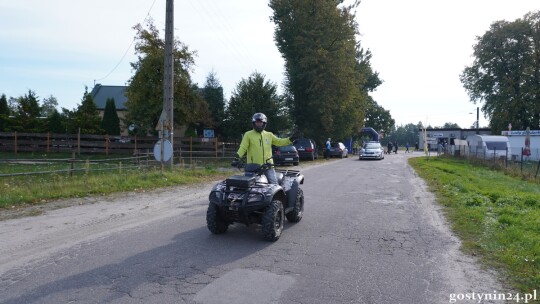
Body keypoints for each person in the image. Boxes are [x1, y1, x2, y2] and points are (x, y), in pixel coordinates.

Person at [235, 113, 300, 184]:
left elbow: (280, 142)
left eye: (260, 122)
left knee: (274, 185)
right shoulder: (248, 134)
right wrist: (237, 158)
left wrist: (290, 139)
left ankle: (279, 195)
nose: (259, 124)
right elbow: (243, 147)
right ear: (254, 123)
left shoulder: (269, 135)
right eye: (257, 122)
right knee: (249, 186)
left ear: (264, 123)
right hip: (252, 167)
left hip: (268, 166)